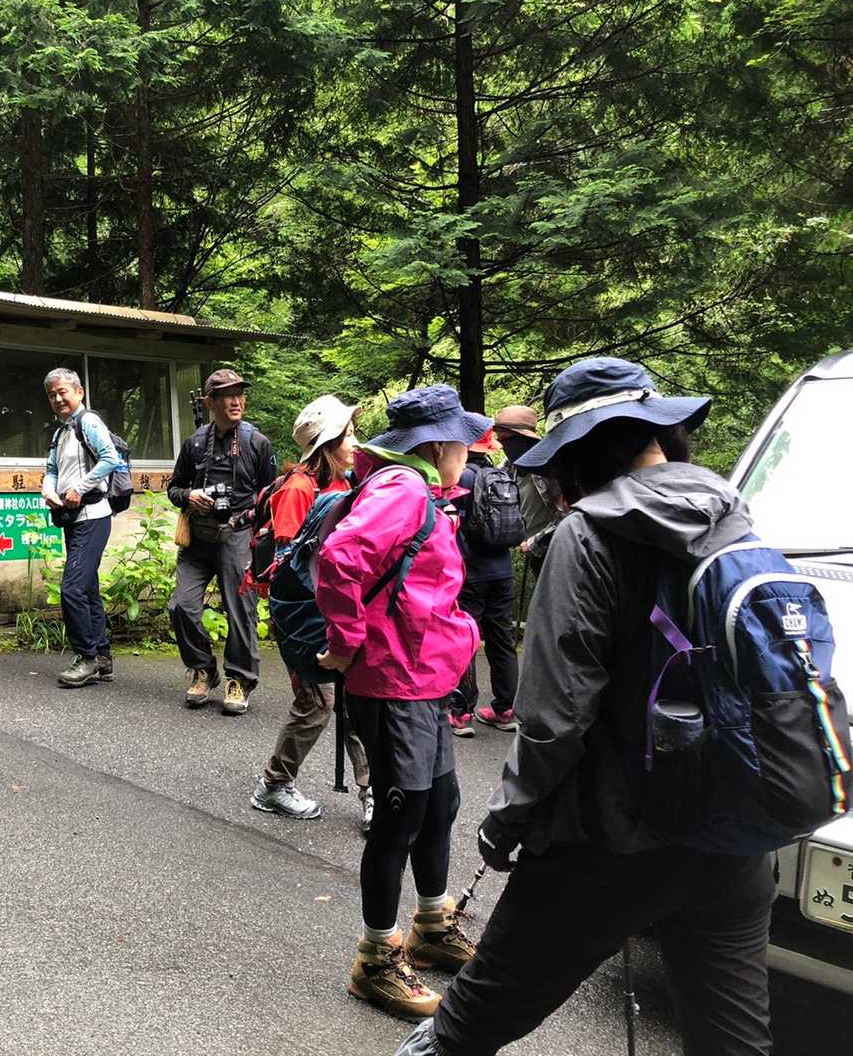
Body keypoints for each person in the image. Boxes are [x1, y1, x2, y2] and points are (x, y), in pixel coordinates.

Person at [398, 358, 775, 1056]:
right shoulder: (734, 517)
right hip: (734, 831)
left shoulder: (587, 536)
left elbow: (554, 718)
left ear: (578, 452)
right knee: (732, 1043)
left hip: (608, 839)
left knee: (462, 1029)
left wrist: (506, 819)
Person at [315, 384, 489, 1020]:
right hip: (394, 681)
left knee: (440, 805)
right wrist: (346, 642)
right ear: (438, 446)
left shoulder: (420, 489)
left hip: (425, 676)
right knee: (401, 817)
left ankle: (432, 926)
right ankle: (375, 959)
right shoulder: (403, 488)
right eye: (463, 443)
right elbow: (340, 557)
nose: (470, 453)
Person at [249, 395, 372, 828]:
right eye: (347, 435)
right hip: (305, 617)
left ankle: (372, 792)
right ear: (327, 444)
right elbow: (289, 566)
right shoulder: (299, 489)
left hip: (340, 612)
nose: (355, 442)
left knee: (356, 703)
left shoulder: (346, 483)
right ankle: (274, 784)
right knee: (317, 702)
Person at [166, 369, 277, 715]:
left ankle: (240, 679)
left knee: (240, 610)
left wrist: (261, 539)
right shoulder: (195, 443)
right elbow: (174, 488)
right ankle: (203, 669)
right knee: (181, 606)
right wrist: (189, 496)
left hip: (237, 535)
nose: (236, 401)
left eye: (240, 394)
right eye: (228, 395)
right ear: (209, 402)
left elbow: (270, 495)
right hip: (198, 538)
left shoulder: (257, 443)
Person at [40, 368, 120, 689]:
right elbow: (51, 469)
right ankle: (102, 657)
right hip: (72, 519)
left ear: (79, 392)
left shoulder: (88, 422)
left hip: (93, 516)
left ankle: (85, 657)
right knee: (86, 589)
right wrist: (49, 489)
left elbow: (110, 458)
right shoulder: (60, 432)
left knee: (71, 589)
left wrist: (80, 488)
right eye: (52, 395)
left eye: (63, 392)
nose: (58, 399)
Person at [447, 429, 519, 736]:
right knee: (502, 640)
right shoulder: (501, 475)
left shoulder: (461, 477)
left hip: (471, 572)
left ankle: (462, 712)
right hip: (503, 571)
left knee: (466, 639)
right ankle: (505, 709)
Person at [491, 404, 561, 576]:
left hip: (557, 548)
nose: (503, 446)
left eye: (507, 439)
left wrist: (536, 542)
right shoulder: (509, 468)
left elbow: (568, 512)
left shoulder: (549, 468)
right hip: (532, 550)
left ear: (523, 438)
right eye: (500, 440)